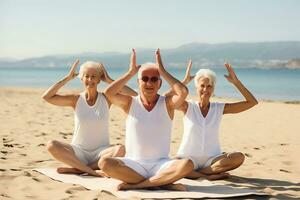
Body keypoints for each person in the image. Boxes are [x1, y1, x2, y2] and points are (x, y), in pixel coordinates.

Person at [99, 49, 194, 190]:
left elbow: (183, 92)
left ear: (160, 83)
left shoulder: (167, 103)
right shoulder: (129, 103)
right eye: (145, 78)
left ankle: (140, 185)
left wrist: (162, 70)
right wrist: (130, 73)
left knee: (188, 165)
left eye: (154, 79)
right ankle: (163, 183)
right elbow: (108, 92)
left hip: (161, 164)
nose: (149, 83)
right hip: (133, 165)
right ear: (138, 82)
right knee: (104, 163)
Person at [42, 60, 137, 176]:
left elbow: (135, 96)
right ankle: (91, 171)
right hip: (78, 152)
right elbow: (47, 97)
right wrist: (67, 78)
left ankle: (80, 169)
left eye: (94, 76)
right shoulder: (76, 99)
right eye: (87, 76)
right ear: (81, 78)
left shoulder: (107, 98)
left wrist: (109, 81)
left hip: (101, 153)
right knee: (51, 145)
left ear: (99, 80)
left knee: (122, 149)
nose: (90, 80)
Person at [168, 61, 258, 180]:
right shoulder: (188, 107)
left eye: (209, 86)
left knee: (239, 157)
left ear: (213, 89)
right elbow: (165, 98)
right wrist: (183, 83)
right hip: (188, 159)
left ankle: (200, 173)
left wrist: (236, 83)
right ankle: (207, 175)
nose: (205, 89)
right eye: (202, 86)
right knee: (171, 164)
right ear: (196, 87)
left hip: (212, 160)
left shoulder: (219, 108)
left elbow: (252, 102)